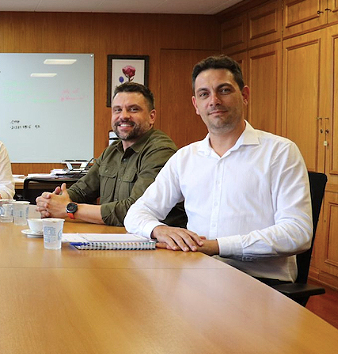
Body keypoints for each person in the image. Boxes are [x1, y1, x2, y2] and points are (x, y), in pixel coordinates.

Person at [124, 55, 312, 283]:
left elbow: (298, 233)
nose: (214, 100)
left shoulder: (280, 153)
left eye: (224, 90)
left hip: (260, 282)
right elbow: (136, 214)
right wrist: (158, 229)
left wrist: (216, 246)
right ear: (196, 105)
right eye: (204, 94)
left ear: (244, 96)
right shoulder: (185, 158)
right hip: (197, 274)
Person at [36, 82, 186, 227]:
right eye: (117, 110)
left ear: (151, 116)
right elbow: (81, 190)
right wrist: (53, 201)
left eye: (133, 109)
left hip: (154, 245)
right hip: (112, 239)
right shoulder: (113, 150)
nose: (124, 116)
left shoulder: (160, 151)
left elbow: (136, 210)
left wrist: (70, 209)